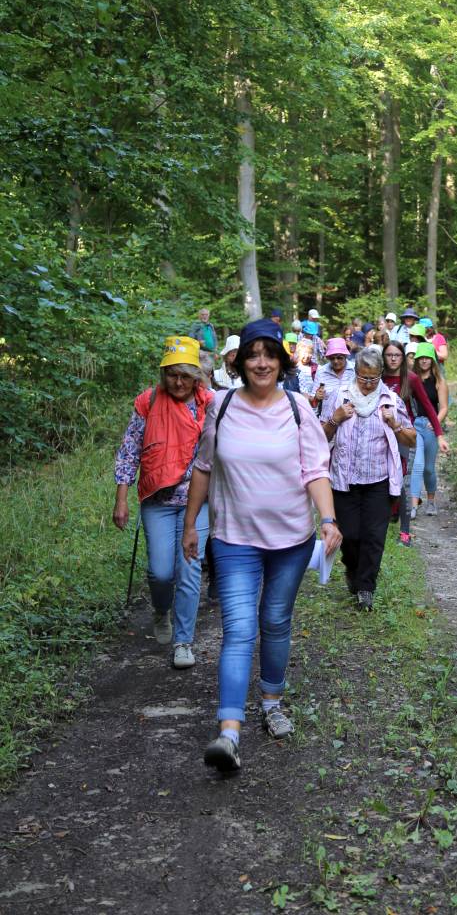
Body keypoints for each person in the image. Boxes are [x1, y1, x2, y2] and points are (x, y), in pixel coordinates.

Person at [182, 317, 342, 773]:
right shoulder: (221, 406)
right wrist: (191, 524)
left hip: (291, 539)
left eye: (269, 354)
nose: (261, 362)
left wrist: (328, 519)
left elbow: (315, 470)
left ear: (280, 361)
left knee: (274, 620)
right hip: (234, 538)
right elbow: (204, 467)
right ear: (239, 362)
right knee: (238, 629)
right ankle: (229, 733)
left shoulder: (297, 407)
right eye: (253, 355)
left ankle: (272, 701)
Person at [113, 336, 213, 669]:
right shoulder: (149, 401)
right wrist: (121, 499)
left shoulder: (210, 404)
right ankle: (161, 609)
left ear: (196, 377)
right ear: (163, 375)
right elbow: (130, 450)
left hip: (197, 502)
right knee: (160, 572)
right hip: (157, 499)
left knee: (189, 569)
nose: (178, 382)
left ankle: (184, 641)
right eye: (172, 375)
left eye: (185, 376)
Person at [321, 347, 415, 611]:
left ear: (381, 374)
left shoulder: (390, 400)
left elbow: (411, 438)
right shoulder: (339, 396)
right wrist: (335, 419)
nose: (368, 384)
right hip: (344, 481)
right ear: (355, 373)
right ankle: (353, 570)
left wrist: (395, 424)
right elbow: (320, 435)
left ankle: (366, 589)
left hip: (378, 482)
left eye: (374, 378)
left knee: (374, 537)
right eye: (363, 378)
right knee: (350, 536)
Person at [382, 342, 448, 545]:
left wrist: (439, 434)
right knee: (384, 476)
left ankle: (405, 530)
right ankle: (390, 513)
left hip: (405, 433)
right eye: (389, 355)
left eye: (397, 355)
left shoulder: (410, 379)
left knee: (405, 476)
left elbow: (429, 406)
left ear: (403, 358)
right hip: (381, 434)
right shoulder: (378, 377)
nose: (393, 358)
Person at [410, 343, 449, 518]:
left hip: (430, 426)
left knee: (428, 469)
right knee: (417, 465)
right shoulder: (411, 379)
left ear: (432, 360)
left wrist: (436, 422)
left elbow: (444, 407)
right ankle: (413, 506)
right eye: (421, 358)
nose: (424, 361)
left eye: (427, 358)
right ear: (417, 360)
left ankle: (431, 501)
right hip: (414, 425)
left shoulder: (439, 381)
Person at [311, 337, 354, 420]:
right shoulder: (321, 372)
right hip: (327, 421)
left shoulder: (355, 370)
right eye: (332, 358)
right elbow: (313, 402)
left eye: (339, 357)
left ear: (345, 356)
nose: (335, 361)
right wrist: (316, 398)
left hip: (350, 420)